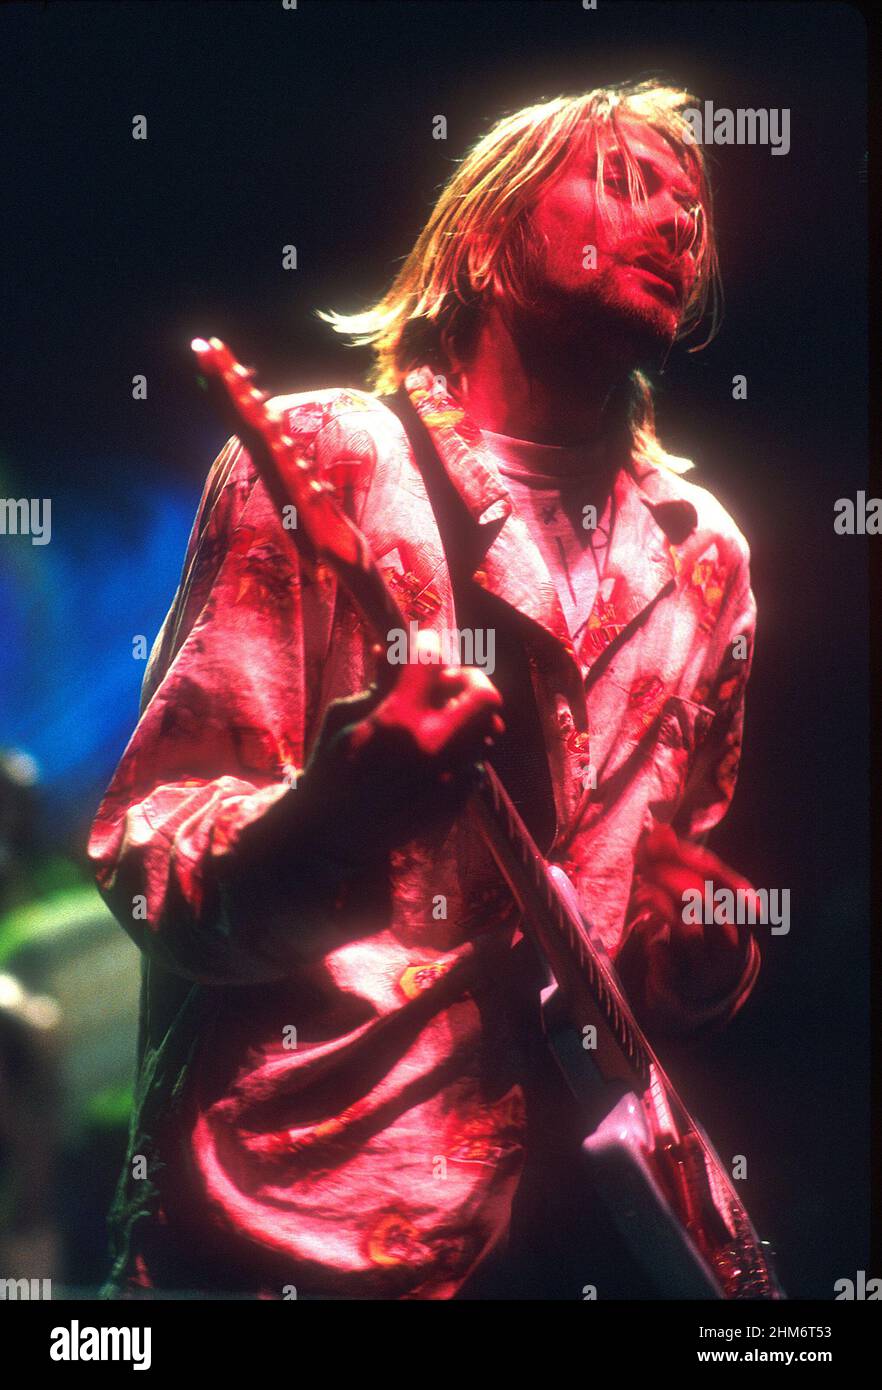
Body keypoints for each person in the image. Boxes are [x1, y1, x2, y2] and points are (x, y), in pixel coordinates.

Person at [89, 80, 761, 1300]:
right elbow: (148, 854)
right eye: (624, 182)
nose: (676, 223)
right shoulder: (331, 459)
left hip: (565, 1241)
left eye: (692, 209)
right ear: (484, 241)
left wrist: (699, 952)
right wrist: (324, 821)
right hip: (295, 1224)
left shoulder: (705, 556)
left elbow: (635, 958)